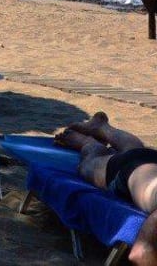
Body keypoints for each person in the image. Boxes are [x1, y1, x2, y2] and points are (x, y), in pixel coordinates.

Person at [55, 112, 157, 265]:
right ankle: (87, 142)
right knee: (88, 164)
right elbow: (140, 253)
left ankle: (102, 127)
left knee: (133, 149)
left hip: (148, 163)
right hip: (125, 170)